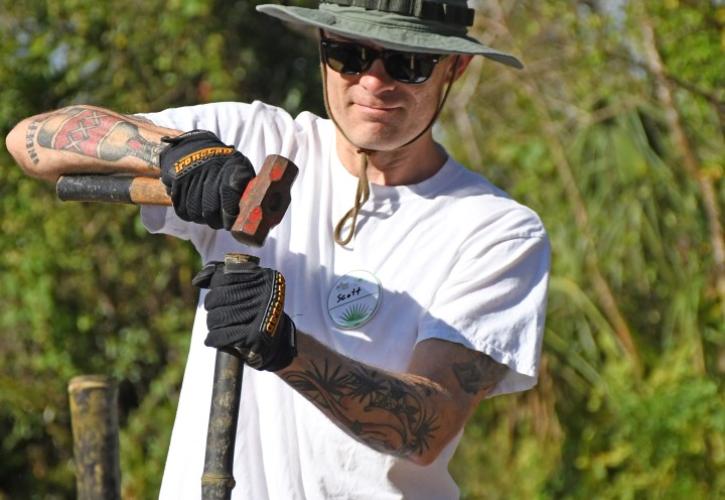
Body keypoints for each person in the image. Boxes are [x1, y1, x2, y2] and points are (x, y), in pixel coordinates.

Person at [6, 0, 550, 498]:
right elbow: (32, 140)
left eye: (408, 62)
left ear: (455, 68)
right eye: (350, 54)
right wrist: (175, 152)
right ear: (321, 47)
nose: (373, 81)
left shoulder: (495, 229)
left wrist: (284, 347)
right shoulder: (257, 140)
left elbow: (427, 426)